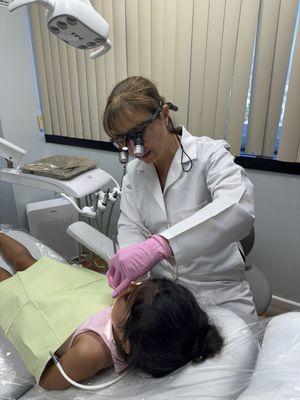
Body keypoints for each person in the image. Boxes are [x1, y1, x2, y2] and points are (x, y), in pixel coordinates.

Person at [103, 76, 257, 322]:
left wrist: (162, 245)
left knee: (235, 357)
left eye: (139, 134)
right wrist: (131, 262)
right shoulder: (134, 173)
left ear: (164, 115)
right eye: (123, 141)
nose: (134, 150)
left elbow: (239, 208)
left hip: (218, 292)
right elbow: (131, 225)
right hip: (162, 295)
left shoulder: (210, 155)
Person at [0, 231, 223, 390]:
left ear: (125, 340)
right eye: (139, 284)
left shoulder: (91, 351)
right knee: (27, 261)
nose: (130, 285)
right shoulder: (144, 327)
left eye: (127, 295)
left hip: (47, 310)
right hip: (68, 294)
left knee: (8, 282)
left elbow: (48, 381)